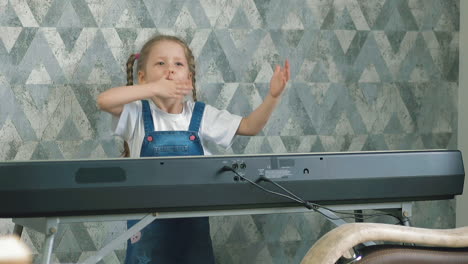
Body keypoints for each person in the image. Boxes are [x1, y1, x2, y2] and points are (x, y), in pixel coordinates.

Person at [97, 35, 290, 264]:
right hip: (147, 226)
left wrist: (273, 97)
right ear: (142, 77)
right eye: (160, 63)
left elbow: (250, 126)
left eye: (178, 64)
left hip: (192, 229)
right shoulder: (136, 114)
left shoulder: (201, 115)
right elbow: (104, 101)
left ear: (188, 78)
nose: (170, 69)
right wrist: (153, 89)